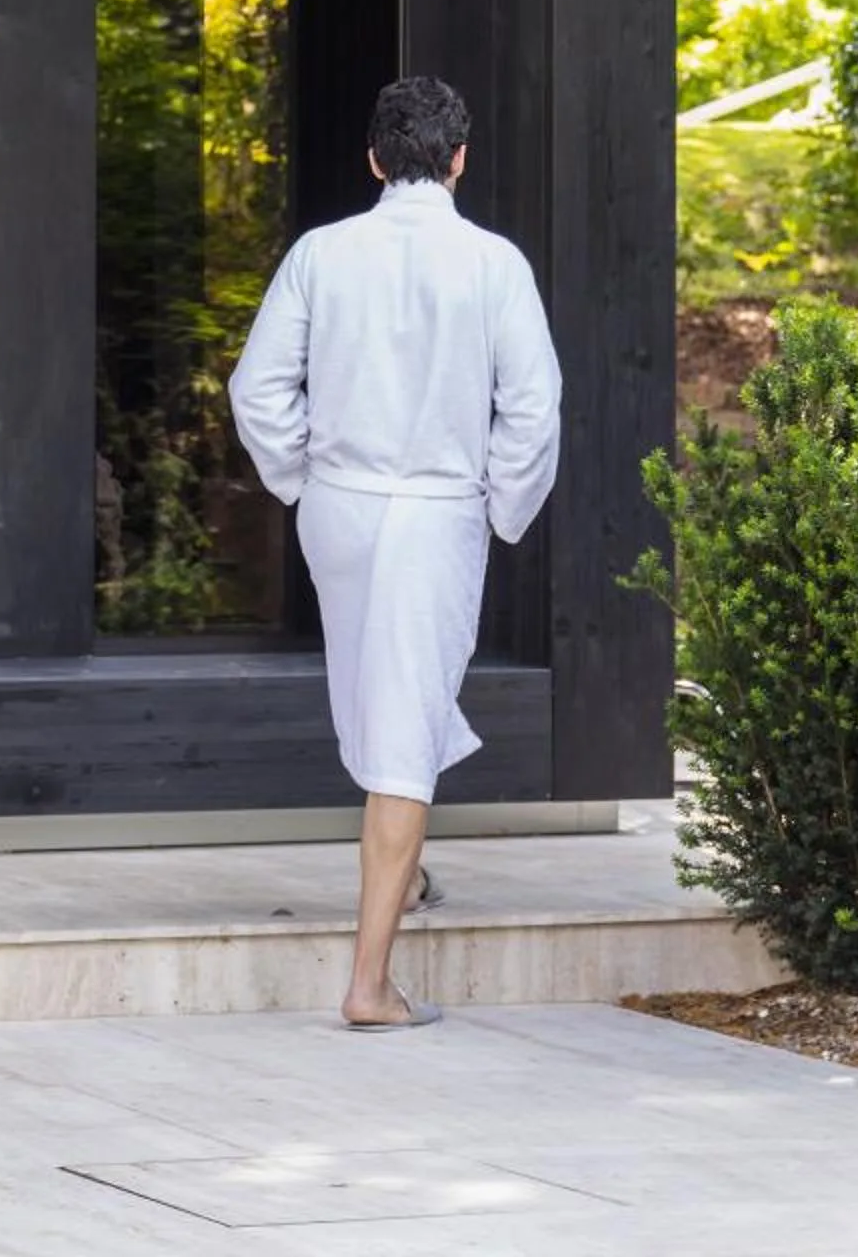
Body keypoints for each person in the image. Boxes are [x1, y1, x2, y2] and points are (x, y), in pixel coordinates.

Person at [226, 77, 561, 1031]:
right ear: (460, 160)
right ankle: (370, 985)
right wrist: (503, 507)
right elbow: (533, 412)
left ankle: (402, 874)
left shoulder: (321, 254)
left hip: (338, 504)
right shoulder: (494, 265)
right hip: (434, 508)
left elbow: (257, 391)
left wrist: (299, 479)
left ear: (374, 160)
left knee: (381, 697)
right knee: (405, 730)